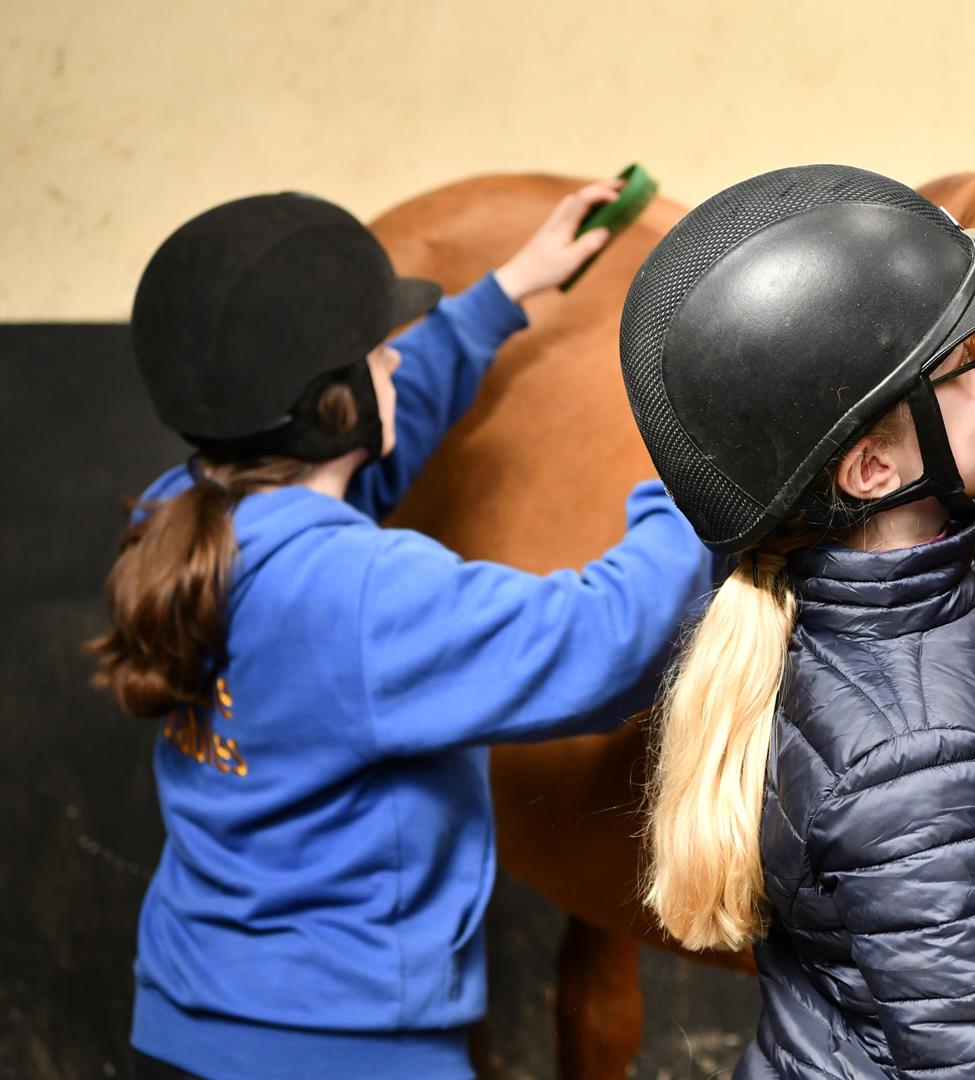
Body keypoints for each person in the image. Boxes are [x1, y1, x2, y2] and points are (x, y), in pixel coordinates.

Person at [91, 183, 712, 1079]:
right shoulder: (362, 595)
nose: (397, 367)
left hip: (200, 1011)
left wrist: (508, 291)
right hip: (347, 1048)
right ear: (334, 407)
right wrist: (688, 463)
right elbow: (607, 643)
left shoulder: (182, 516)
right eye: (382, 354)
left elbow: (388, 416)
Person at [624, 162, 975, 1077]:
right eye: (972, 363)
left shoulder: (800, 578)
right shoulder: (928, 758)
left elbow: (865, 354)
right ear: (871, 469)